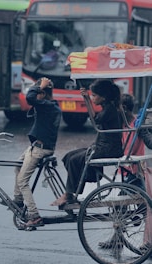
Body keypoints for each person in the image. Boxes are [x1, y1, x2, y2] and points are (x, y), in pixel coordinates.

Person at [51, 79, 124, 207]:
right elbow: (95, 118)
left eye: (94, 95)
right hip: (101, 146)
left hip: (108, 149)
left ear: (104, 97)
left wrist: (87, 100)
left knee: (75, 160)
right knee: (69, 156)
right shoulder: (107, 108)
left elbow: (94, 120)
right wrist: (87, 99)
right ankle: (77, 188)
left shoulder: (110, 110)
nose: (92, 97)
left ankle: (69, 194)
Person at [1, 77, 62, 228]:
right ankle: (18, 200)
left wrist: (39, 87)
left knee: (22, 181)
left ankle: (34, 215)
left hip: (40, 149)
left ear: (41, 94)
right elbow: (32, 102)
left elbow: (29, 98)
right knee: (18, 165)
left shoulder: (47, 106)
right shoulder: (49, 105)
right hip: (37, 146)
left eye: (38, 93)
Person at [99, 93, 152, 250]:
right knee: (119, 205)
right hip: (125, 170)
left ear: (124, 109)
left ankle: (143, 237)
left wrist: (143, 130)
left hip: (137, 172)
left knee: (145, 205)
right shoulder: (119, 124)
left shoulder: (137, 124)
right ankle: (118, 238)